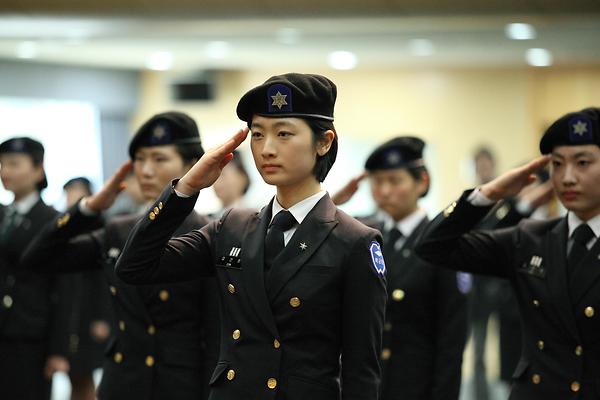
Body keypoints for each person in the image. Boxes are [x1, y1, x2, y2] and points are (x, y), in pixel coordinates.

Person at [115, 73, 387, 399]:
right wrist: (184, 189)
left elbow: (361, 370)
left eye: (284, 134)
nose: (267, 149)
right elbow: (135, 266)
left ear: (324, 141)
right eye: (257, 135)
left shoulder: (354, 241)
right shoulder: (232, 227)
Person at [22, 112, 219, 400]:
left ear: (193, 165)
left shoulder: (208, 233)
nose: (146, 170)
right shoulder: (120, 230)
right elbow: (38, 259)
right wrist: (87, 209)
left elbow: (215, 331)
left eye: (159, 159)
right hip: (123, 380)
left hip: (181, 383)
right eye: (140, 160)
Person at [415, 107, 600, 400]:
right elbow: (432, 246)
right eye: (557, 164)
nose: (567, 177)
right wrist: (489, 194)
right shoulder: (530, 239)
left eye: (582, 163)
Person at [333, 137, 468, 400]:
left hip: (414, 385)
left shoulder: (441, 242)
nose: (384, 191)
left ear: (422, 182)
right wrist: (333, 200)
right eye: (377, 181)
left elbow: (451, 341)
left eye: (395, 181)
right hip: (364, 385)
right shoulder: (364, 237)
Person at [0, 137, 71, 400]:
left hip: (31, 336)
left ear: (38, 169)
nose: (4, 172)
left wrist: (59, 350)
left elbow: (64, 287)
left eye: (14, 164)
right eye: (2, 164)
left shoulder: (52, 220)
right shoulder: (2, 214)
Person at [62, 177, 113, 400]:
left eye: (76, 191)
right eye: (68, 192)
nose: (71, 197)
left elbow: (103, 277)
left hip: (90, 312)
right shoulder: (64, 225)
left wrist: (102, 317)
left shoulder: (99, 225)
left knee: (84, 373)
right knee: (74, 374)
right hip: (70, 309)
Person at [212, 150, 251, 219]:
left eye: (223, 175)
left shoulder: (255, 219)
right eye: (214, 176)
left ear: (242, 177)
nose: (216, 182)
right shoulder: (209, 220)